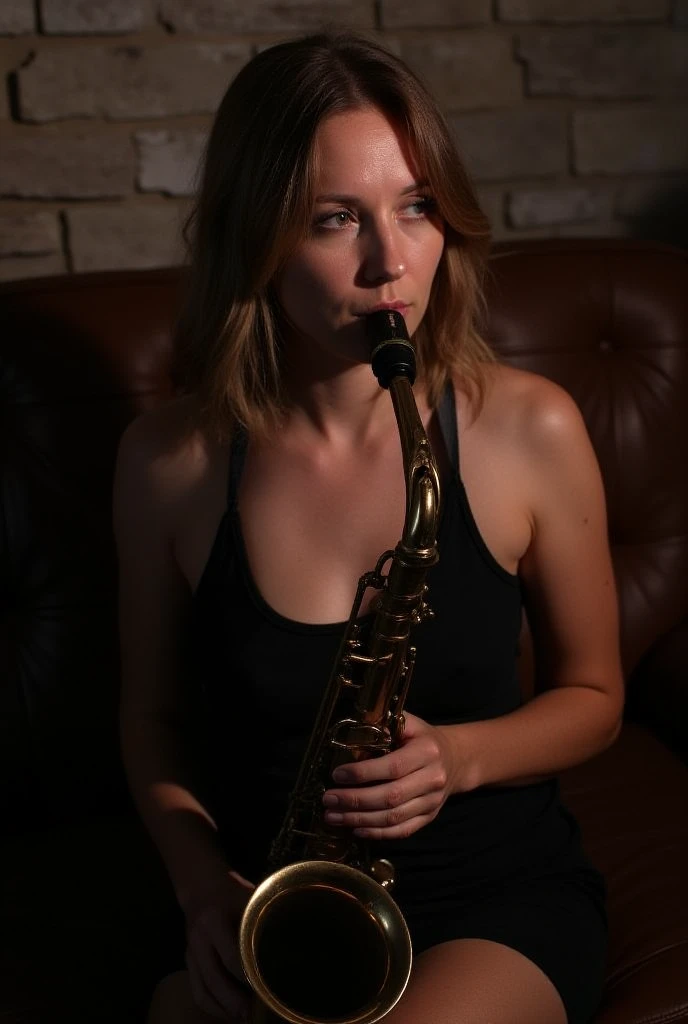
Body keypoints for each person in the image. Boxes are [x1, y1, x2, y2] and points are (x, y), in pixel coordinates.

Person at [114, 32, 624, 1024]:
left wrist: (462, 757)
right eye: (335, 219)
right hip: (275, 897)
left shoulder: (532, 426)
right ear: (252, 237)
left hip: (494, 900)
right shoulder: (164, 464)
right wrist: (200, 885)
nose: (390, 262)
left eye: (417, 207)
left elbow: (596, 697)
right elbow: (151, 723)